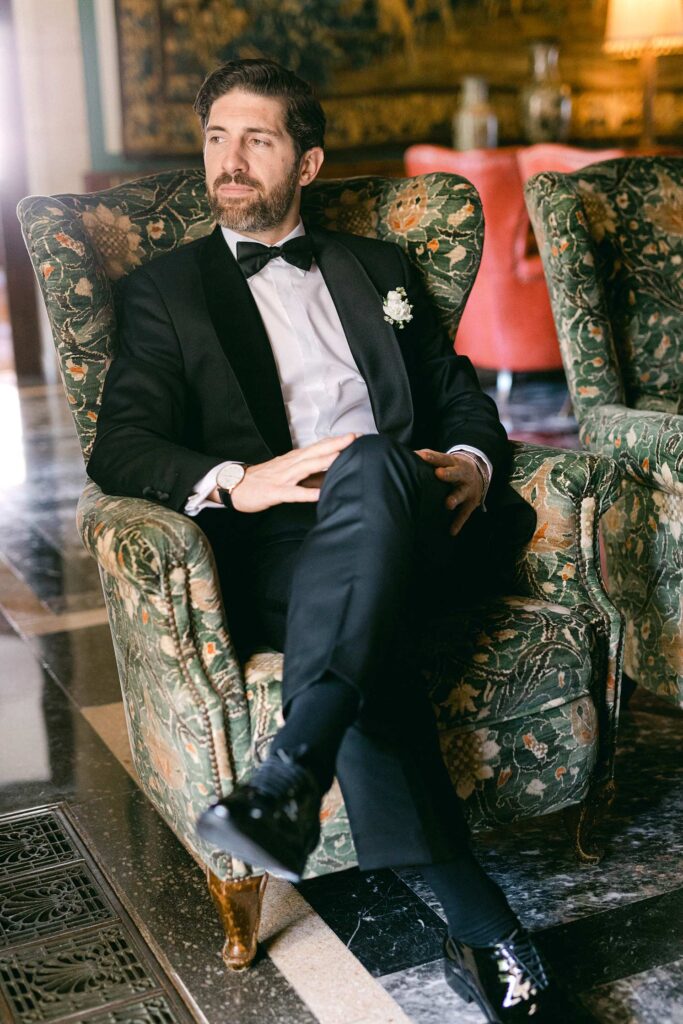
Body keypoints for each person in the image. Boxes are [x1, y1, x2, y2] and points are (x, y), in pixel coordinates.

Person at [88, 59, 594, 1024]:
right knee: (364, 633)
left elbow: (459, 401)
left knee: (368, 460)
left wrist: (473, 466)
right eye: (215, 139)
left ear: (308, 161)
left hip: (415, 521)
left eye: (258, 140)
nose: (228, 162)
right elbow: (123, 443)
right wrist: (242, 480)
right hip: (280, 549)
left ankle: (291, 767)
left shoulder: (381, 271)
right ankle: (480, 920)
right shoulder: (165, 292)